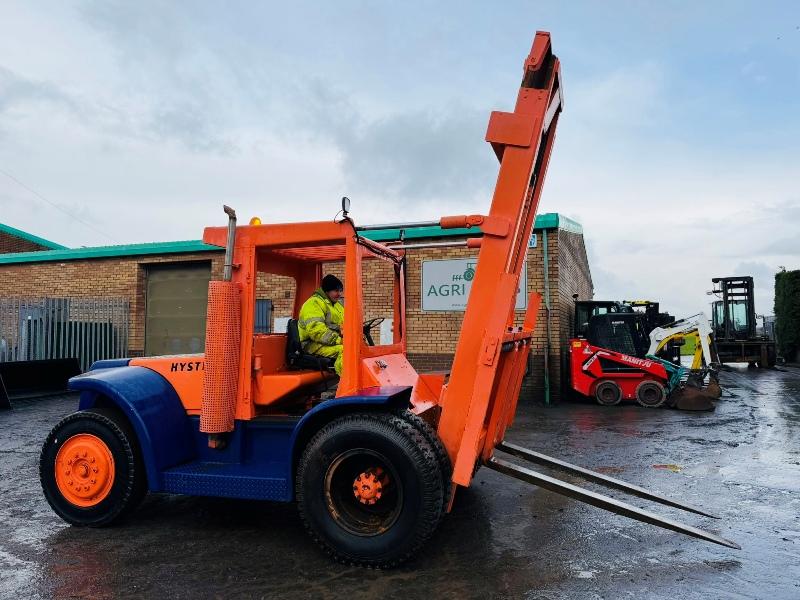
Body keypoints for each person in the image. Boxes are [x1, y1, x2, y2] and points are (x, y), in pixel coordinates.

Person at [298, 274, 345, 375]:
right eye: (336, 291)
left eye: (340, 291)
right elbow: (317, 331)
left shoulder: (337, 306)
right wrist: (340, 340)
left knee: (360, 349)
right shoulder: (313, 304)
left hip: (329, 342)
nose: (339, 294)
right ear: (327, 290)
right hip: (312, 345)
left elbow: (345, 325)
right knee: (346, 351)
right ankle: (346, 381)